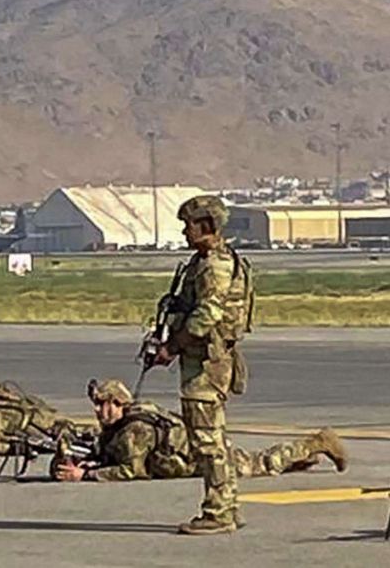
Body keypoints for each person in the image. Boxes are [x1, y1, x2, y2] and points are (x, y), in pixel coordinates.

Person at [152, 195, 253, 534]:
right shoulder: (205, 261)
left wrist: (172, 347)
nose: (184, 232)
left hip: (205, 365)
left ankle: (218, 513)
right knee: (215, 440)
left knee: (207, 442)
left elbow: (207, 314)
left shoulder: (214, 265)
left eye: (189, 225)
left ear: (206, 225)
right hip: (205, 361)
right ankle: (227, 505)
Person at [53, 379, 348, 482]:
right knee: (261, 463)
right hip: (195, 454)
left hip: (202, 458)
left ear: (118, 404)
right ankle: (303, 458)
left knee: (261, 464)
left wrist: (87, 475)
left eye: (102, 404)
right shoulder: (123, 423)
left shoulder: (135, 430)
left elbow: (132, 471)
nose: (97, 410)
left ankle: (317, 442)